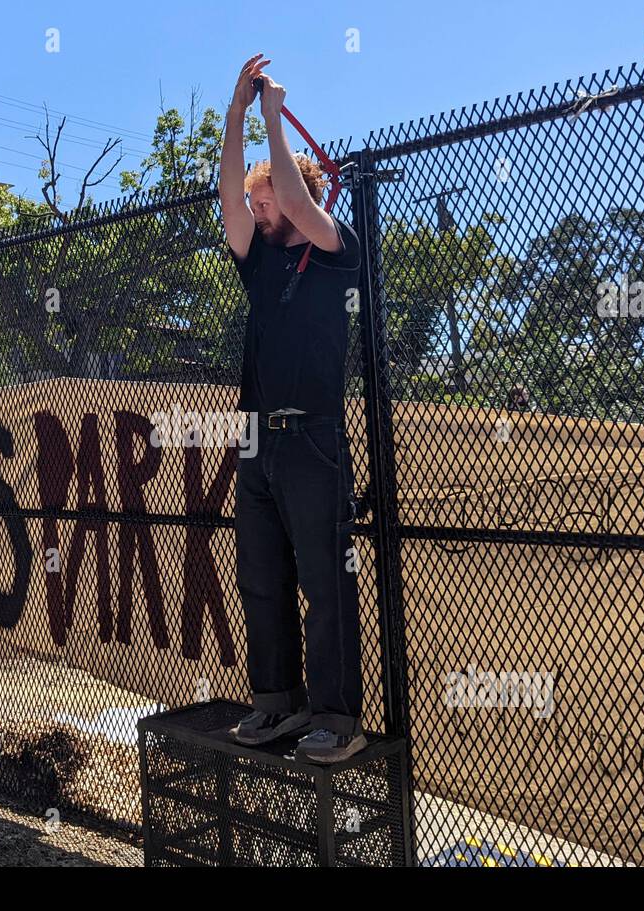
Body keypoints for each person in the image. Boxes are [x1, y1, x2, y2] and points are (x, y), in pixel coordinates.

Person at [220, 54, 365, 763]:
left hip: (313, 441)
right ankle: (276, 703)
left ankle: (337, 718)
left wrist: (273, 116)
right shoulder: (262, 259)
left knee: (325, 582)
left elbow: (303, 208)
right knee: (260, 577)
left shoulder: (334, 248)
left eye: (266, 195)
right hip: (256, 442)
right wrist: (236, 116)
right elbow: (227, 202)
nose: (257, 205)